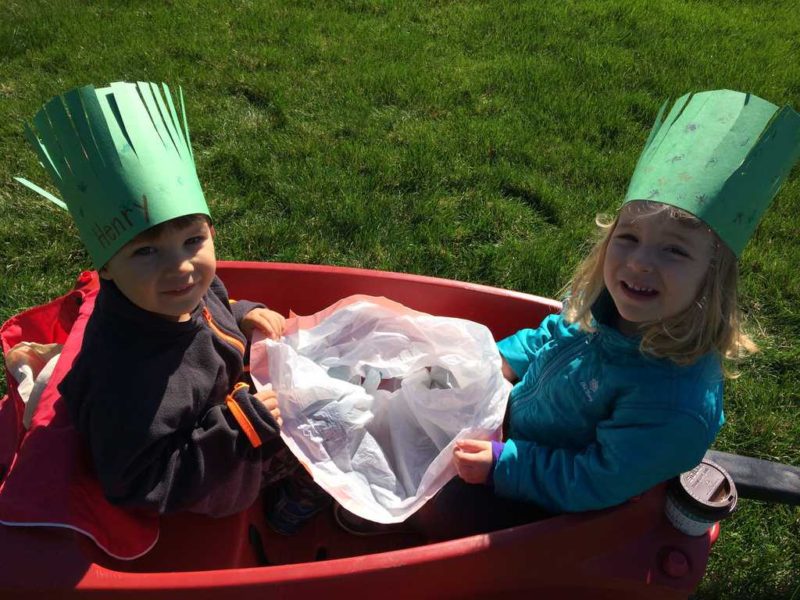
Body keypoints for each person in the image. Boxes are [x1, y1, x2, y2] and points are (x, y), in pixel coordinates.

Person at [338, 89, 800, 539]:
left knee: (440, 508)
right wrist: (493, 363)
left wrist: (505, 465)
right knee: (416, 385)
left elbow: (597, 480)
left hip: (542, 495)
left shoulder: (673, 401)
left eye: (674, 251)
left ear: (712, 278)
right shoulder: (604, 312)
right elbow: (549, 336)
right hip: (509, 420)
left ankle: (391, 527)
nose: (640, 262)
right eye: (628, 239)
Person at [16, 81, 329, 534]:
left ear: (210, 233)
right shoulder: (131, 383)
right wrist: (239, 427)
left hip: (227, 405)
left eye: (192, 240)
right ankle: (293, 501)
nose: (181, 268)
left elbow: (213, 300)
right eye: (145, 252)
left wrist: (241, 312)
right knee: (328, 429)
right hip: (217, 469)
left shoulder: (164, 295)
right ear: (105, 267)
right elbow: (138, 482)